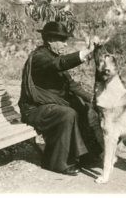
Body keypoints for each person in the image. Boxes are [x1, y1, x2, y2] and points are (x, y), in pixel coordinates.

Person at [18, 22, 103, 176]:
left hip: (49, 106)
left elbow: (71, 85)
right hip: (34, 109)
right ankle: (56, 163)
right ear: (50, 39)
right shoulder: (39, 57)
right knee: (67, 114)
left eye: (66, 41)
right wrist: (86, 52)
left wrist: (93, 100)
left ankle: (86, 155)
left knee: (82, 106)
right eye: (61, 40)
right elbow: (57, 64)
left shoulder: (54, 57)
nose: (65, 45)